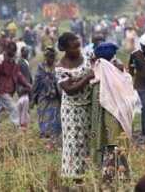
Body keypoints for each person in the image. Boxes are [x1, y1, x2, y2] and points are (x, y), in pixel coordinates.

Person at [90, 42, 136, 183]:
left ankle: (108, 176)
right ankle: (121, 176)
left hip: (102, 122)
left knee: (108, 145)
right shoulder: (116, 73)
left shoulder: (97, 74)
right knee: (117, 145)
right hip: (117, 117)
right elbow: (128, 92)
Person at [55, 32, 94, 182]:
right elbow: (69, 90)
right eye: (74, 47)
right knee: (74, 143)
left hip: (89, 107)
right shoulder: (60, 67)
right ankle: (76, 179)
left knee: (90, 140)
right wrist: (86, 78)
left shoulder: (87, 56)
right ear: (65, 49)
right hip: (71, 110)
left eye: (79, 45)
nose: (78, 49)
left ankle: (90, 175)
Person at [0, 42, 31, 130]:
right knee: (14, 108)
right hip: (1, 89)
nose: (11, 56)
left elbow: (18, 74)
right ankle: (18, 129)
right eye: (10, 53)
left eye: (13, 53)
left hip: (10, 89)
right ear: (6, 51)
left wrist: (26, 84)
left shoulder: (14, 60)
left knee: (0, 112)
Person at [32, 47, 61, 143]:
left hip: (55, 96)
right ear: (45, 57)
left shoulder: (57, 67)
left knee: (54, 115)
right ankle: (44, 134)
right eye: (48, 57)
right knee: (43, 114)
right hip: (43, 95)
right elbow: (36, 82)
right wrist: (33, 97)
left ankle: (54, 136)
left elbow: (60, 82)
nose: (50, 59)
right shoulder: (41, 67)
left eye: (52, 57)